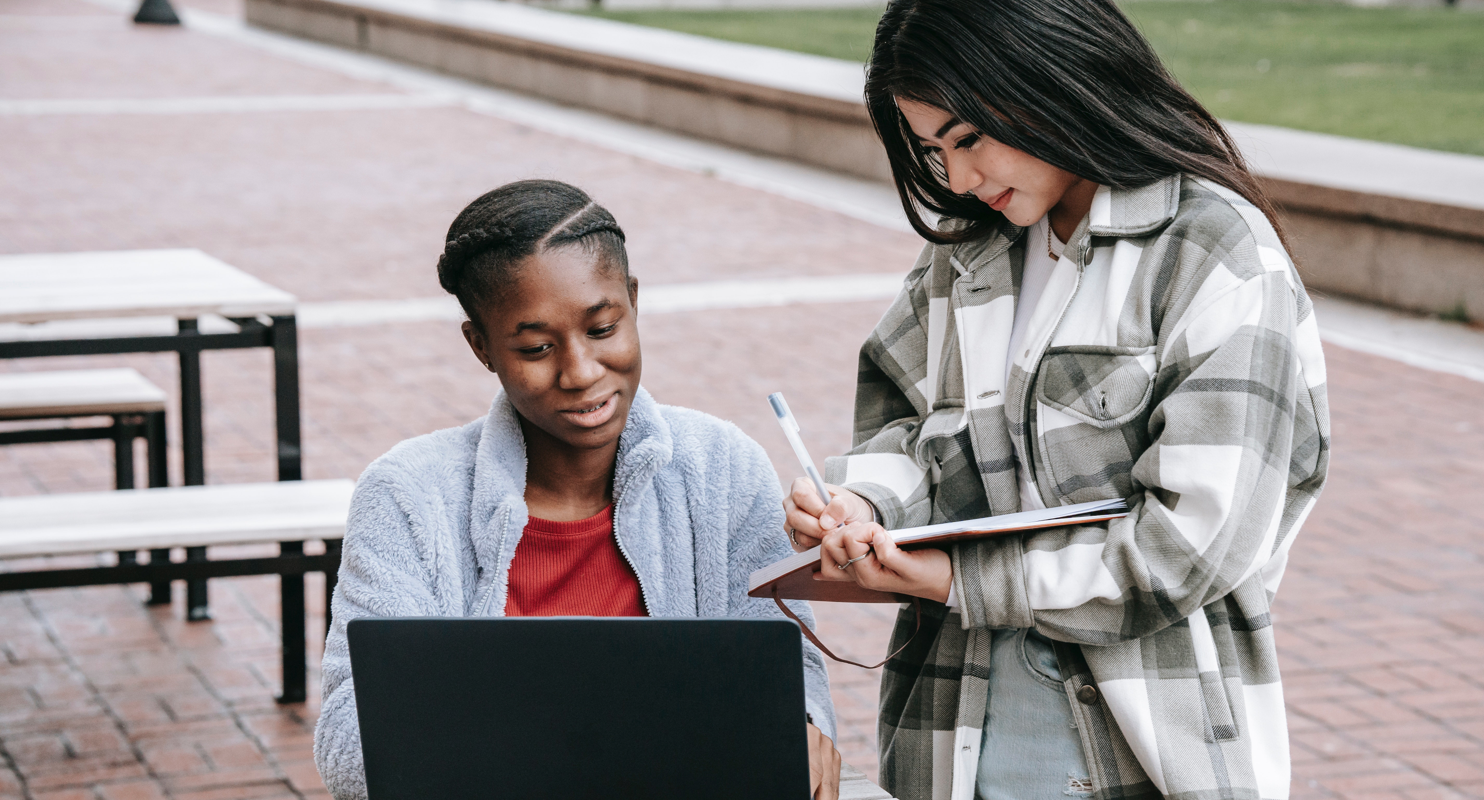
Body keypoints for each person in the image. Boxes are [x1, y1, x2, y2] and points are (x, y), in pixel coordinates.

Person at [782, 1, 1330, 799]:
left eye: (968, 138)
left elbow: (1185, 550)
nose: (959, 179)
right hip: (950, 733)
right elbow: (914, 434)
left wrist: (950, 582)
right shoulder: (968, 256)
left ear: (1049, 75)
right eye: (935, 150)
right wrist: (862, 502)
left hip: (1149, 748)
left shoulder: (1214, 254)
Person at [313, 180, 840, 799]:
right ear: (481, 347)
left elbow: (786, 670)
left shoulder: (721, 467)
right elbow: (350, 738)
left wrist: (799, 728)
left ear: (633, 302)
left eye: (603, 328)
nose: (581, 373)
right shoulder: (407, 495)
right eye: (536, 347)